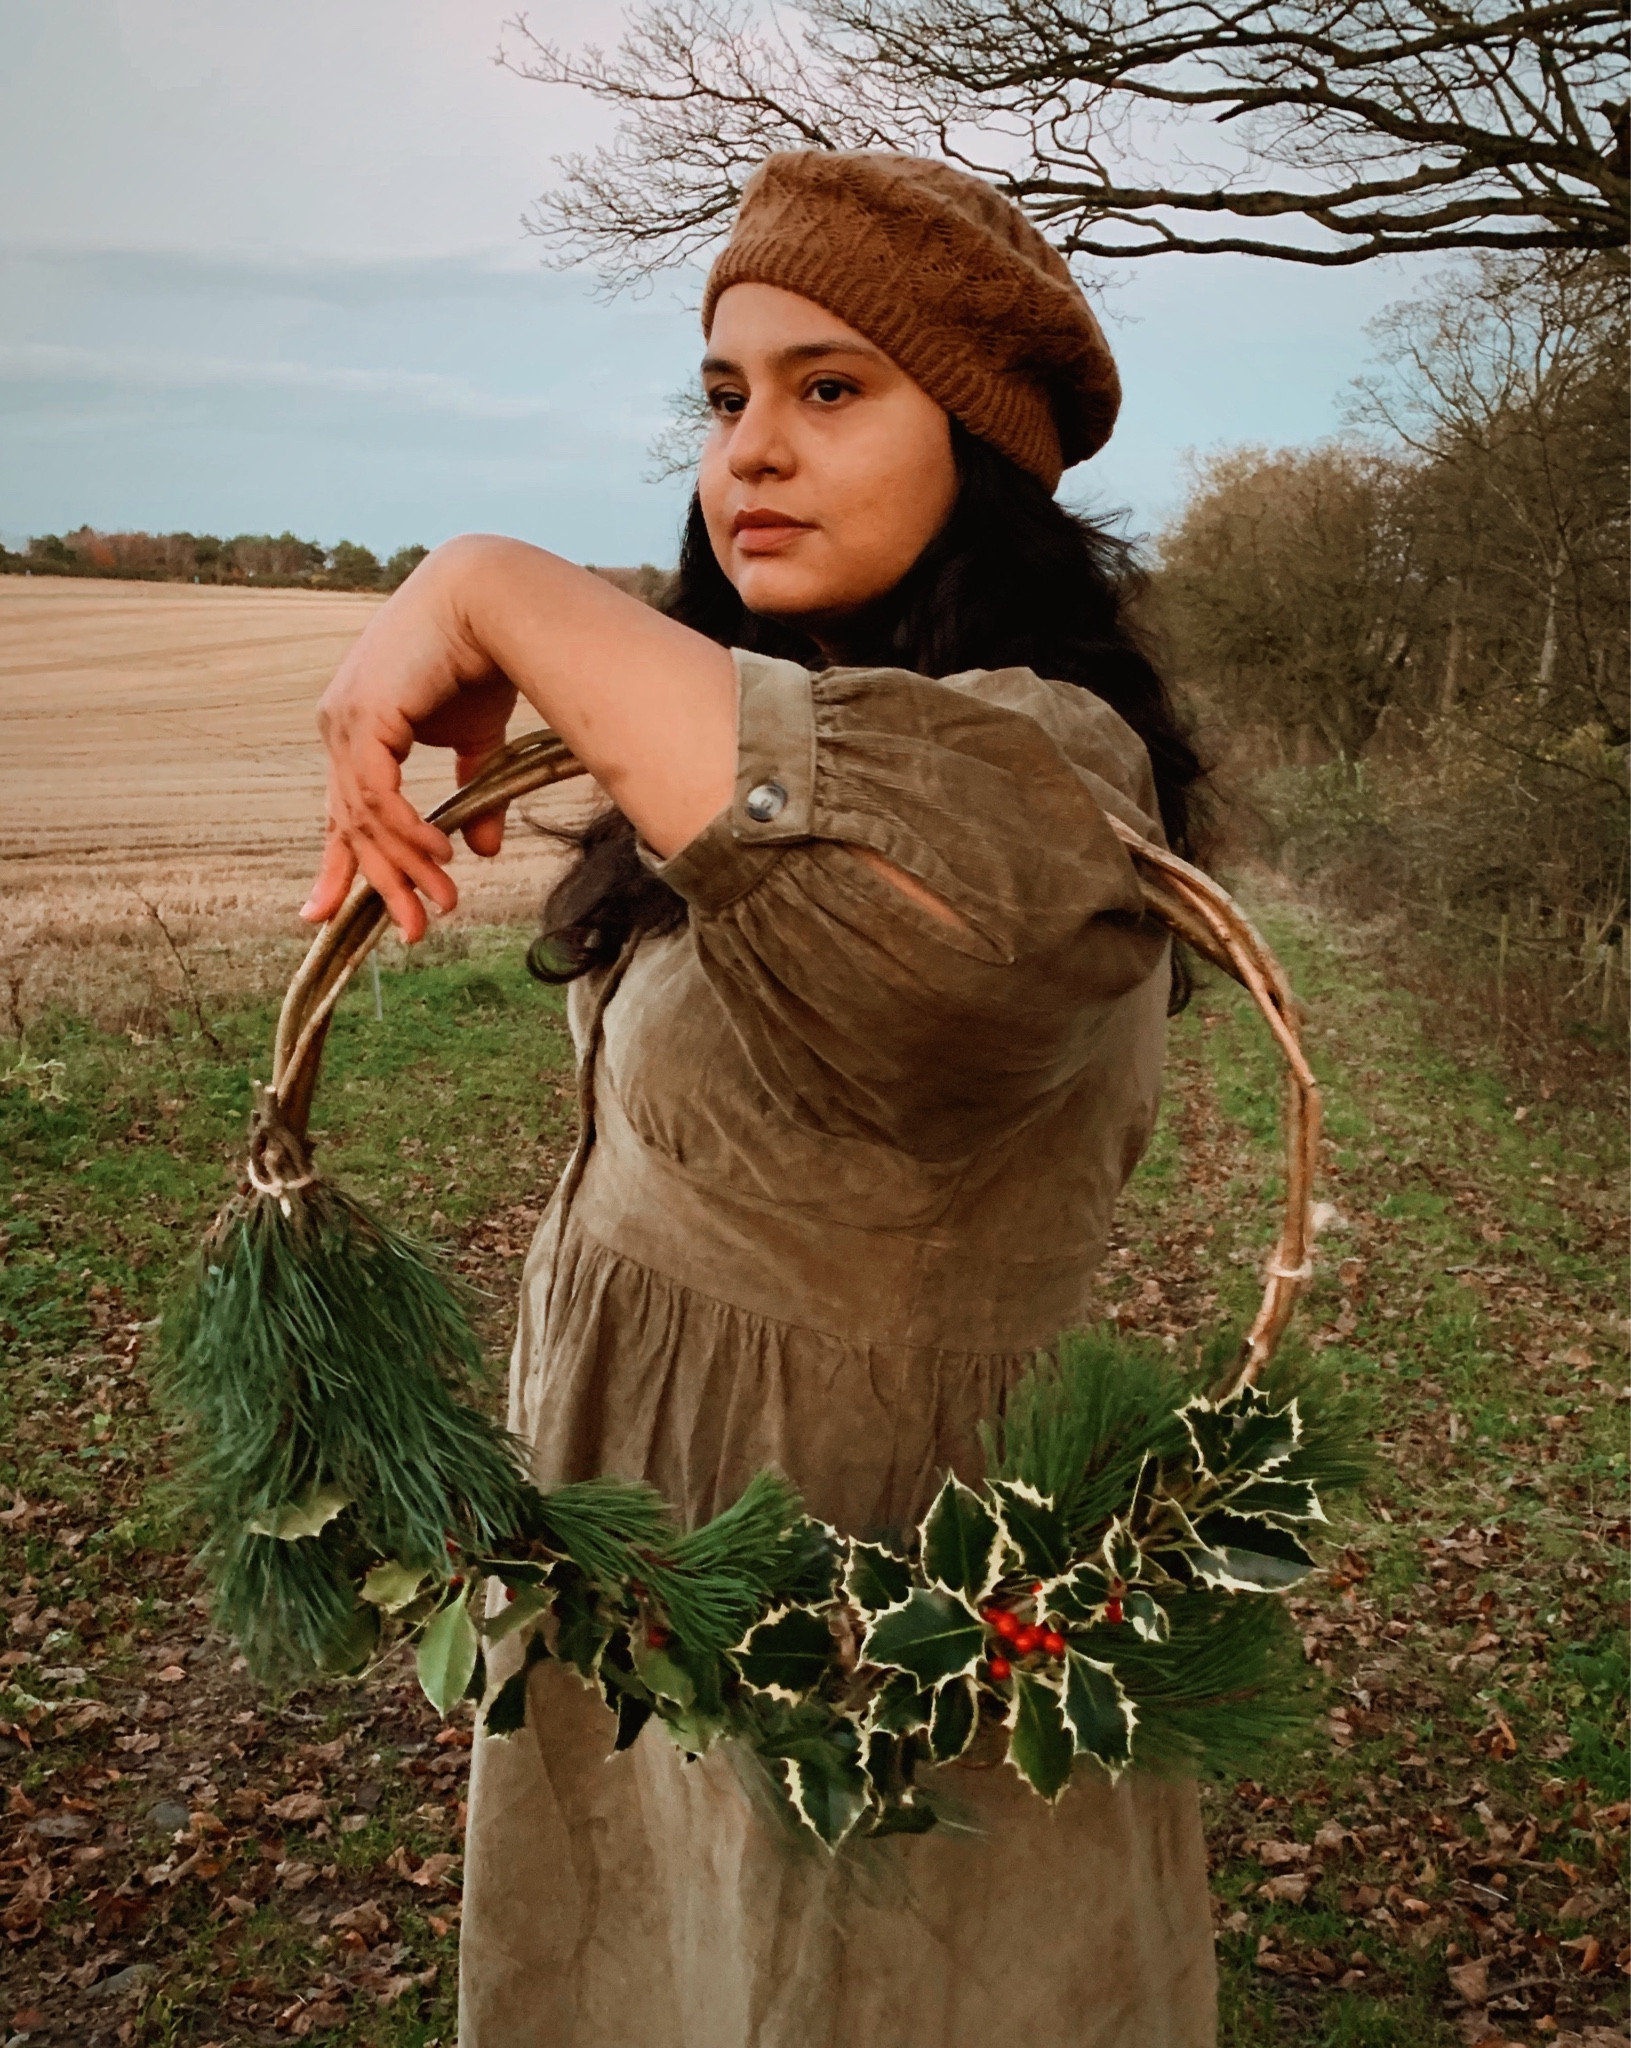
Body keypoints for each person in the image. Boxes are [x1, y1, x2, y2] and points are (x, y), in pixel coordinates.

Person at [304, 150, 1216, 2048]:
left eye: (831, 389)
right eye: (724, 399)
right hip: (646, 1576)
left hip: (874, 1607)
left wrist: (482, 580)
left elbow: (876, 887)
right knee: (641, 1973)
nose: (753, 454)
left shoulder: (1046, 766)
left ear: (985, 448)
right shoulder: (724, 717)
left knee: (853, 1993)